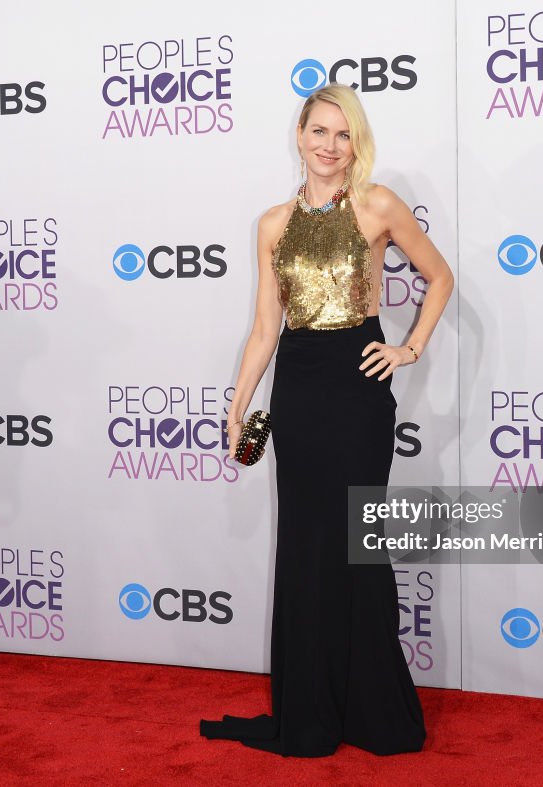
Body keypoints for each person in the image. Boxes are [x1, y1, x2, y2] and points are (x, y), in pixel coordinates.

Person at [200, 84, 454, 757]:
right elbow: (264, 328)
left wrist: (409, 347)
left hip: (357, 385)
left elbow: (441, 277)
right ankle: (312, 708)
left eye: (343, 135)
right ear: (300, 134)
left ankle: (374, 712)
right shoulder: (272, 224)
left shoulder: (376, 205)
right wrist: (239, 403)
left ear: (356, 142)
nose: (330, 146)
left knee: (358, 545)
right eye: (319, 131)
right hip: (301, 389)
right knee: (309, 547)